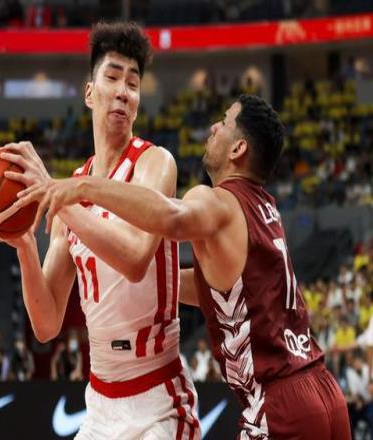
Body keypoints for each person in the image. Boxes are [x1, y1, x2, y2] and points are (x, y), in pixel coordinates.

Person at [18, 94, 351, 438]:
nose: (214, 127)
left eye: (224, 122)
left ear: (238, 149)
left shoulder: (217, 201)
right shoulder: (264, 208)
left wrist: (81, 187)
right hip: (325, 391)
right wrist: (143, 282)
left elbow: (171, 218)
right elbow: (219, 290)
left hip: (279, 404)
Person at [0, 21, 199, 439]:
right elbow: (46, 324)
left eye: (133, 83)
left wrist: (63, 197)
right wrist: (25, 246)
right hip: (100, 401)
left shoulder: (155, 164)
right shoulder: (68, 192)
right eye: (112, 77)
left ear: (138, 102)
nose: (123, 91)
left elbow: (135, 258)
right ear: (89, 93)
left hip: (157, 397)